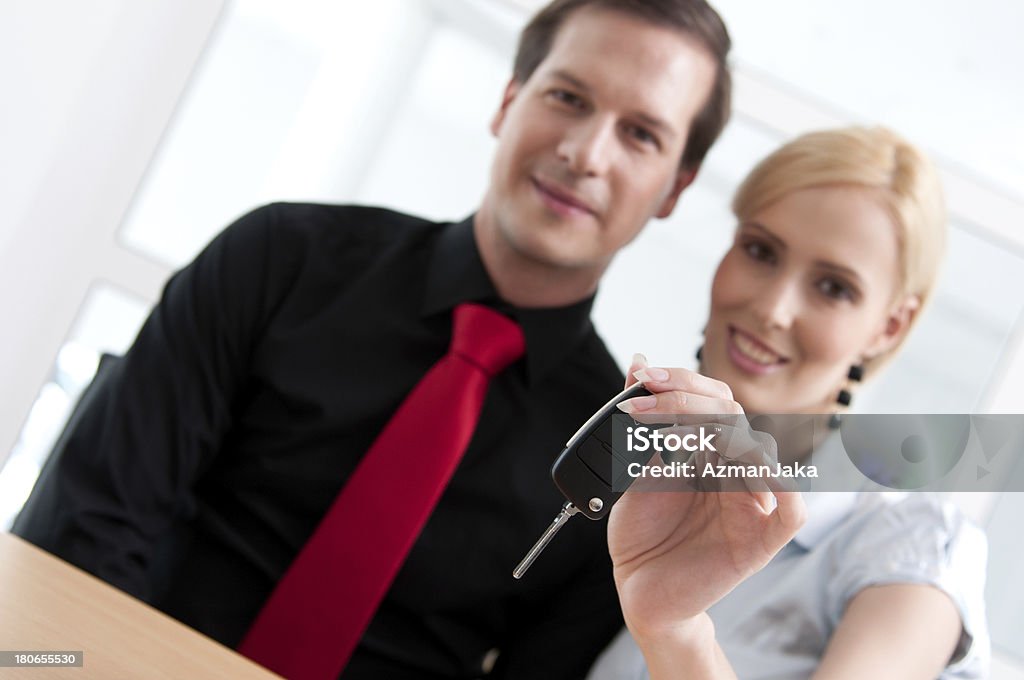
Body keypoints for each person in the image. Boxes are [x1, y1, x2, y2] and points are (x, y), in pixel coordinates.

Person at [12, 1, 733, 678]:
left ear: (674, 188)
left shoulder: (617, 452)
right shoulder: (279, 258)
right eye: (568, 97)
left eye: (641, 134)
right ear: (509, 102)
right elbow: (90, 527)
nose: (585, 153)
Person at [587, 127, 989, 679]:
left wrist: (675, 632)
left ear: (888, 328)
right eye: (760, 251)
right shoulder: (652, 473)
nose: (773, 309)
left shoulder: (908, 547)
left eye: (834, 288)